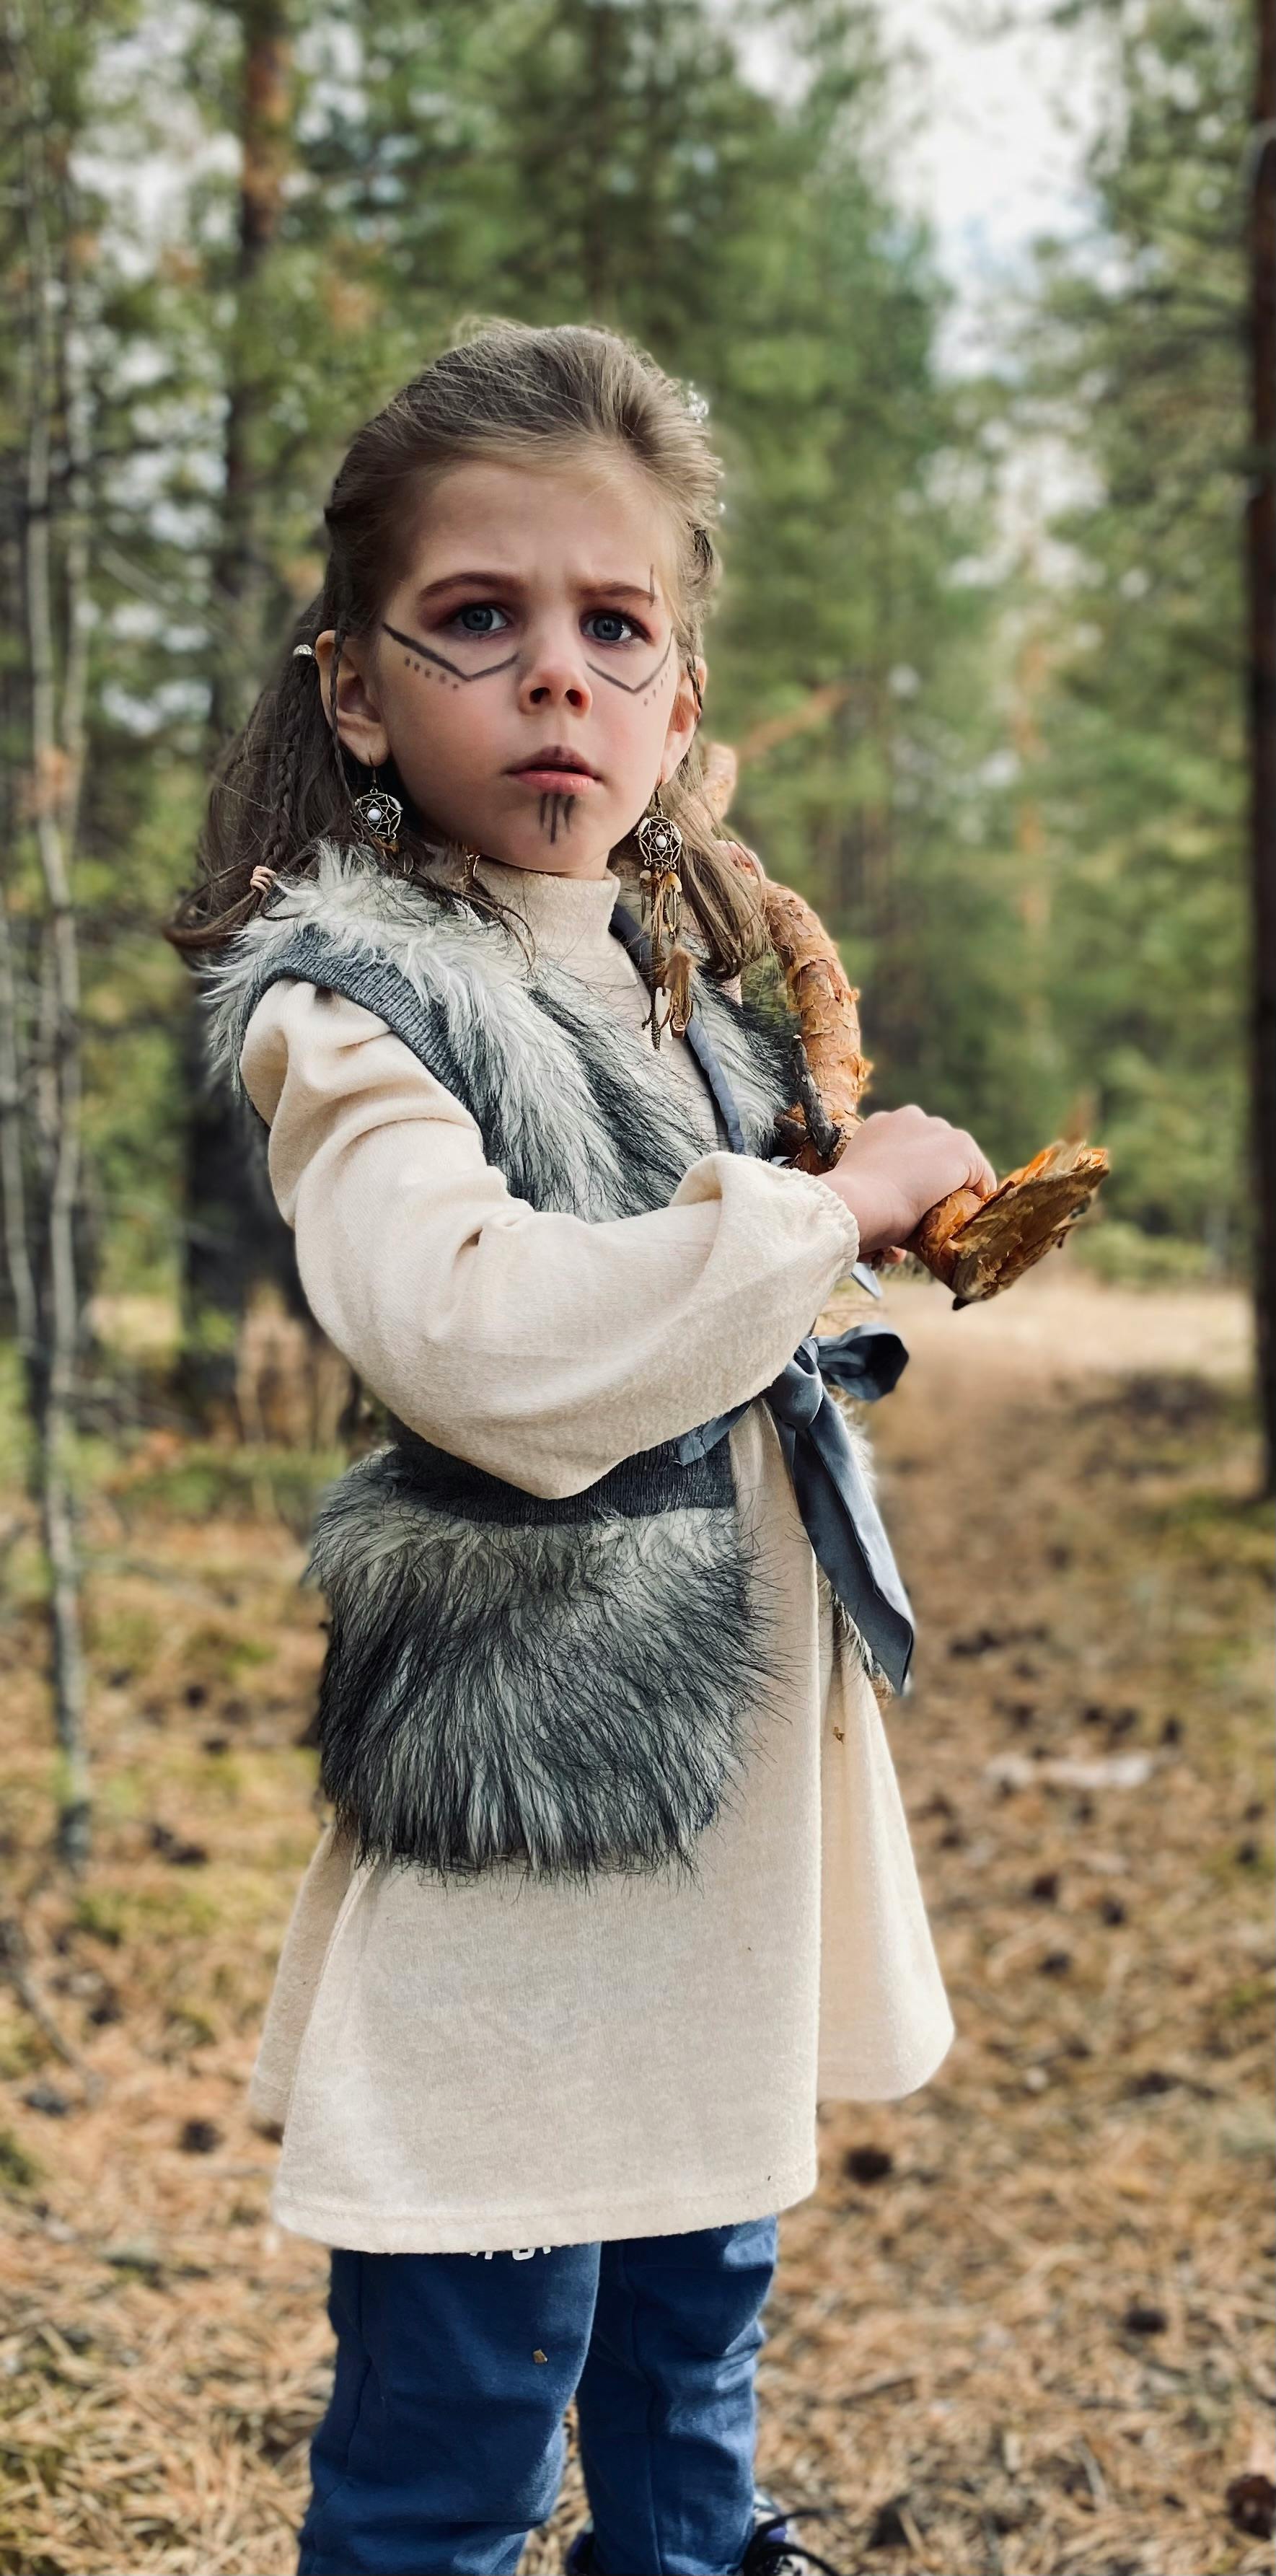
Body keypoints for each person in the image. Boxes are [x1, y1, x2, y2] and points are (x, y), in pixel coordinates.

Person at [168, 320, 996, 2576]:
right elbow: (483, 1339)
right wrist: (815, 1216)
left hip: (720, 1806)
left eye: (614, 627)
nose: (556, 673)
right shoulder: (360, 1006)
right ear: (358, 690)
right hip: (531, 1796)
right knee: (475, 2351)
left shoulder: (678, 996)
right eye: (479, 616)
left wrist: (856, 1217)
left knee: (687, 2311)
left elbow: (716, 1298)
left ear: (677, 701)